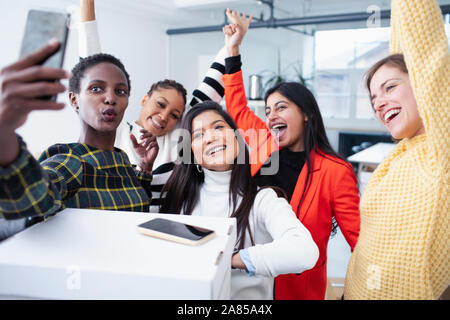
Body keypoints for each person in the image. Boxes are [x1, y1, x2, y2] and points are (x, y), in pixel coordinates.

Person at [222, 9, 360, 300]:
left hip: (295, 289)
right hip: (248, 279)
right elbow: (237, 107)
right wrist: (233, 49)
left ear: (307, 114)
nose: (272, 116)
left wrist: (360, 290)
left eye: (281, 107)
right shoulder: (264, 144)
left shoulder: (336, 171)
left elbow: (357, 240)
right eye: (269, 110)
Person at [79, 0, 228, 211]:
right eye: (160, 104)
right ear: (144, 99)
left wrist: (230, 45)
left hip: (164, 229)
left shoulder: (178, 139)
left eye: (175, 114)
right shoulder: (114, 131)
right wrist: (87, 6)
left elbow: (211, 88)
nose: (164, 116)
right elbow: (91, 68)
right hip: (115, 224)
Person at [160, 101, 319, 299]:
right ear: (192, 153)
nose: (211, 137)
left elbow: (304, 252)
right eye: (198, 135)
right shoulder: (180, 200)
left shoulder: (263, 200)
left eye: (218, 127)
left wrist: (229, 258)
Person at [344, 0, 449, 300]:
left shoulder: (440, 148)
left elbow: (423, 45)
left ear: (422, 84)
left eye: (390, 88)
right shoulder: (400, 156)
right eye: (374, 97)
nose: (378, 102)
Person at [0, 41, 158, 221]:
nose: (110, 98)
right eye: (96, 88)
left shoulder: (122, 160)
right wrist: (4, 130)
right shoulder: (71, 163)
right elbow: (27, 199)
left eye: (120, 91)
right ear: (74, 99)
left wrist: (145, 169)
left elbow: (135, 210)